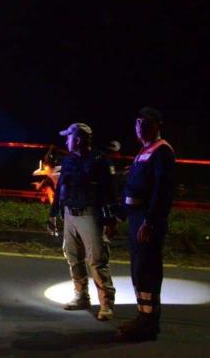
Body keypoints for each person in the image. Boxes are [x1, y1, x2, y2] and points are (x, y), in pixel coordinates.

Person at [48, 122, 118, 321]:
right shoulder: (69, 160)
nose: (66, 141)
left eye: (68, 137)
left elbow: (110, 191)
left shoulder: (99, 160)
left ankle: (106, 304)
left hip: (91, 215)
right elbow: (61, 187)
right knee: (73, 256)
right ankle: (81, 296)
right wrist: (54, 213)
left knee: (96, 260)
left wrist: (111, 219)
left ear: (77, 139)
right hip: (71, 214)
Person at [117, 107, 175, 341]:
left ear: (157, 125)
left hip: (147, 220)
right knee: (138, 270)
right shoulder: (144, 151)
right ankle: (142, 315)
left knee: (148, 269)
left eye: (146, 123)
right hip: (136, 217)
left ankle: (149, 323)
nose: (140, 127)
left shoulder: (162, 151)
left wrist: (150, 221)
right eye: (138, 122)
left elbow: (162, 191)